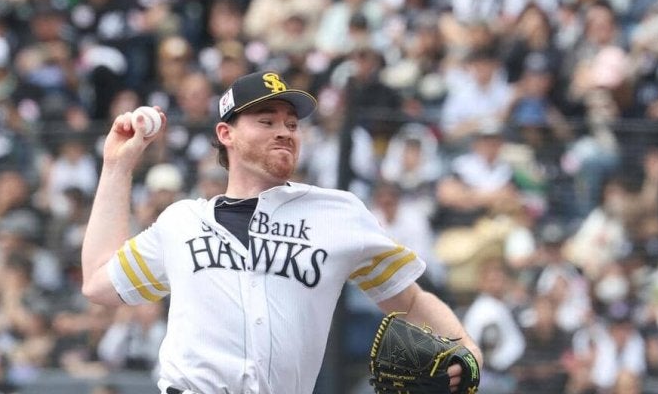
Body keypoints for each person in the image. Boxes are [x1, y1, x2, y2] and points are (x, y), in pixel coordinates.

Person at [81, 71, 482, 394]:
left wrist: (466, 349)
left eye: (291, 123)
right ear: (226, 134)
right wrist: (117, 166)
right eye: (266, 121)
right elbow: (99, 282)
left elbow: (410, 300)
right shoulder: (181, 222)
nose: (285, 131)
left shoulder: (337, 214)